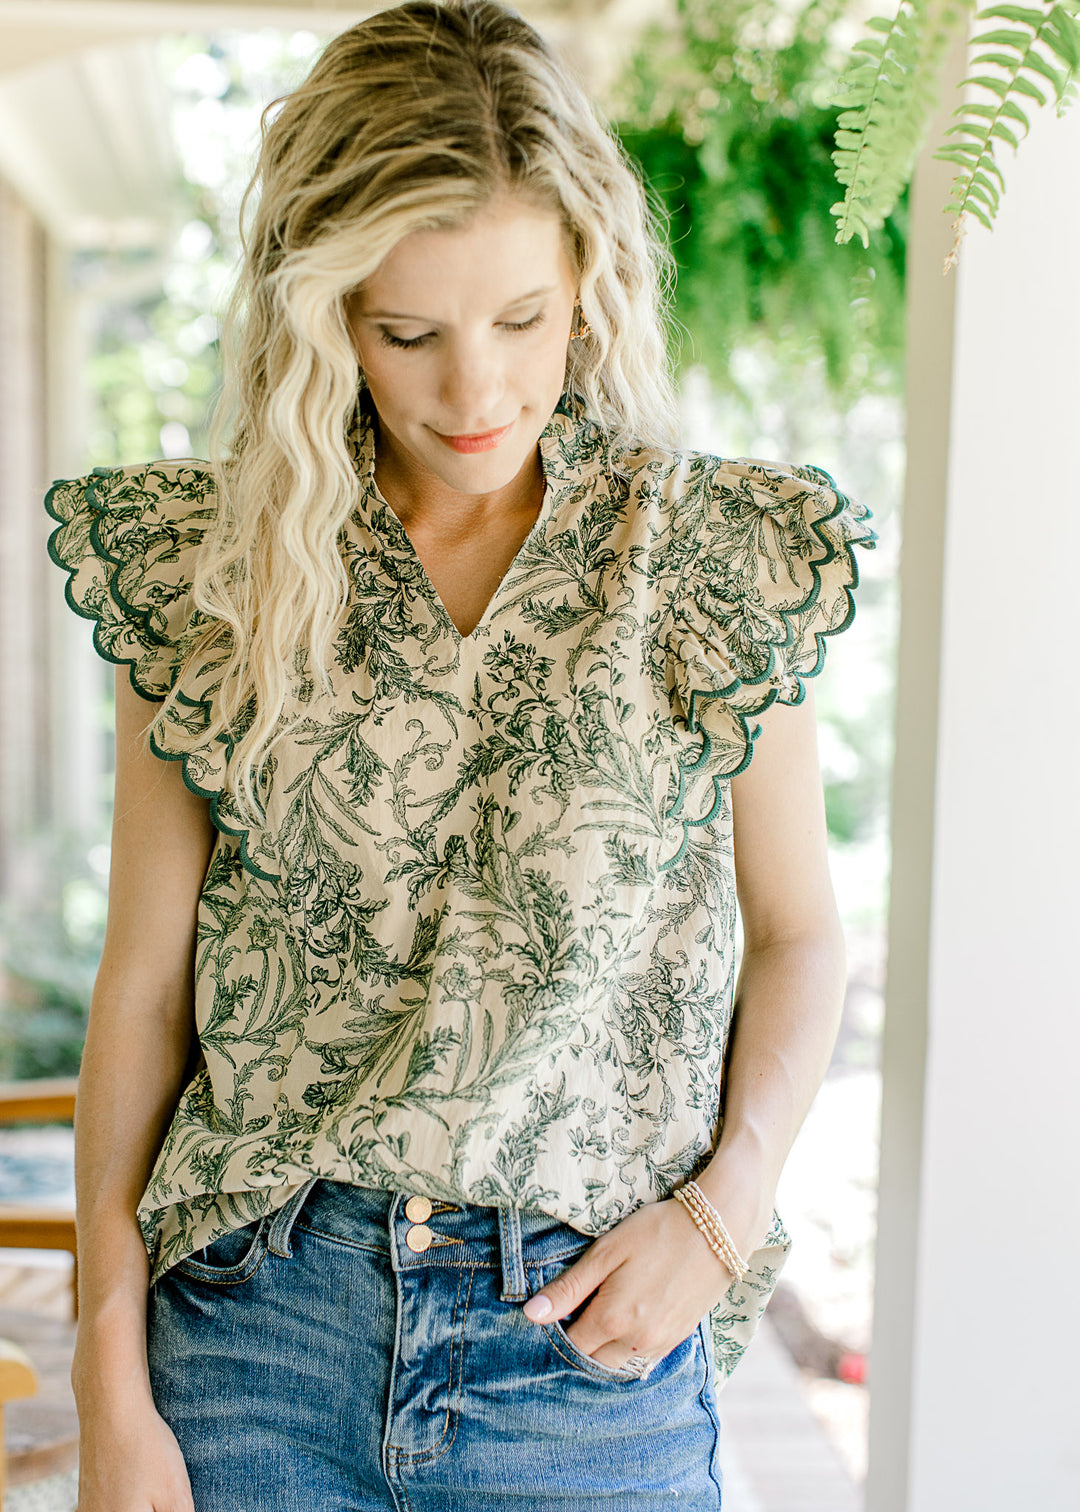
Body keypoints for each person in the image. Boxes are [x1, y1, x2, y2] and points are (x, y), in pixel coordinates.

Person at [44, 2, 874, 1508]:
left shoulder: (710, 557)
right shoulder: (212, 565)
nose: (475, 393)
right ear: (323, 315)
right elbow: (144, 986)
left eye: (522, 321)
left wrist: (723, 1214)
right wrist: (108, 1365)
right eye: (407, 334)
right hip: (256, 1339)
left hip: (588, 1354)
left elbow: (801, 934)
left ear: (591, 286)